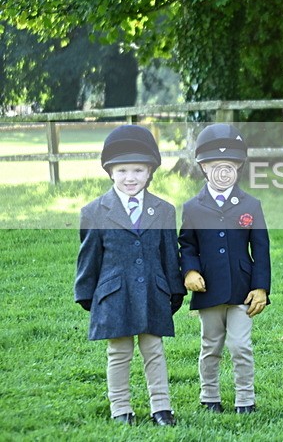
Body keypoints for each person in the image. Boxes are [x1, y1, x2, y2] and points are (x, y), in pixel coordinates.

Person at [74, 125, 185, 426]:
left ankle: (161, 408)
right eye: (122, 171)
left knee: (154, 350)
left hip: (152, 290)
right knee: (119, 353)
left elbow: (168, 253)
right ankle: (120, 409)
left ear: (150, 172)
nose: (130, 178)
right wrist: (87, 294)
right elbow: (89, 256)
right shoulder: (94, 211)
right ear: (110, 172)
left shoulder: (163, 210)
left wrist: (174, 290)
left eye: (138, 170)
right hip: (114, 295)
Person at [178, 123, 271, 415]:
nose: (223, 171)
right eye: (215, 165)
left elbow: (261, 248)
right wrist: (189, 271)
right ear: (204, 167)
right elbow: (187, 245)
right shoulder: (193, 207)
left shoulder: (251, 205)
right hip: (208, 289)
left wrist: (261, 287)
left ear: (238, 167)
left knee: (241, 346)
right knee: (210, 346)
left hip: (242, 291)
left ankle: (245, 399)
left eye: (229, 165)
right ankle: (209, 397)